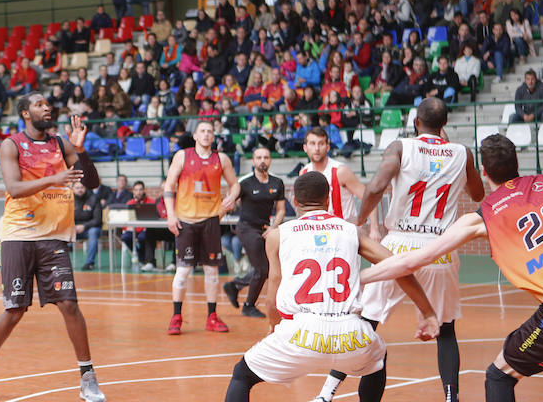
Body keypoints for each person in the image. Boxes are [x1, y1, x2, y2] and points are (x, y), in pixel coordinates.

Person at [361, 134, 543, 402]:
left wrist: (360, 277)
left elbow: (409, 262)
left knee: (499, 376)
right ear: (517, 162)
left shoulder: (481, 218)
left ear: (484, 172)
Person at [314, 97, 485, 402]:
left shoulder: (401, 147)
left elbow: (377, 186)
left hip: (399, 244)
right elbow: (478, 192)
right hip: (440, 249)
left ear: (416, 122)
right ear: (443, 126)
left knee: (364, 323)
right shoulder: (462, 153)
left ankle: (327, 394)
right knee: (445, 329)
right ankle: (451, 397)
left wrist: (363, 218)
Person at [223, 172, 439, 402]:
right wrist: (427, 312)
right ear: (328, 199)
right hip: (350, 333)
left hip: (300, 333)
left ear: (295, 202)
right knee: (377, 359)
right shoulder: (351, 231)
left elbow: (273, 296)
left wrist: (274, 327)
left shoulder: (277, 235)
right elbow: (400, 267)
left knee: (241, 376)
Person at [0, 95, 106, 402]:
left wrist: (80, 150)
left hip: (54, 236)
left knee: (69, 304)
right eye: (40, 104)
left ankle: (88, 377)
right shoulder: (11, 145)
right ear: (25, 112)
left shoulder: (62, 144)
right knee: (15, 309)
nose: (48, 108)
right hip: (19, 235)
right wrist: (55, 177)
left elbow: (93, 182)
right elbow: (14, 188)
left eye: (49, 104)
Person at [163, 121, 239, 335]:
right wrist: (170, 214)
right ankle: (176, 316)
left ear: (213, 136)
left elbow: (235, 184)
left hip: (211, 221)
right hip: (186, 221)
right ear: (195, 135)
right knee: (183, 271)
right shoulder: (183, 156)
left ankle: (211, 316)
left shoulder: (221, 159)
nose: (206, 134)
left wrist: (232, 197)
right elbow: (169, 185)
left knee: (211, 271)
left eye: (210, 131)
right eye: (202, 131)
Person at [221, 148, 287, 317]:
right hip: (246, 228)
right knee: (263, 269)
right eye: (258, 157)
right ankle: (248, 306)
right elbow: (231, 198)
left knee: (266, 268)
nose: (262, 160)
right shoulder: (245, 183)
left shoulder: (277, 183)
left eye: (266, 157)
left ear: (270, 160)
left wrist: (274, 227)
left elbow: (280, 210)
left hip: (266, 229)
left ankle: (235, 285)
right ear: (253, 161)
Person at [299, 127, 381, 240]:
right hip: (318, 235)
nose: (317, 148)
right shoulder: (304, 173)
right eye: (312, 144)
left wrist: (374, 229)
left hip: (344, 234)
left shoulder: (340, 171)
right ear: (305, 147)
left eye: (321, 144)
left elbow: (369, 198)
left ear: (328, 147)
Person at [73, 181, 102, 271]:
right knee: (61, 232)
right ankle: (61, 263)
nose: (80, 190)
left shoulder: (94, 199)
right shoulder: (68, 200)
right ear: (73, 189)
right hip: (74, 229)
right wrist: (72, 227)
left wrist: (84, 226)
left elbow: (97, 220)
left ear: (85, 188)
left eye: (81, 187)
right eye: (77, 188)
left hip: (90, 228)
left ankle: (90, 263)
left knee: (93, 232)